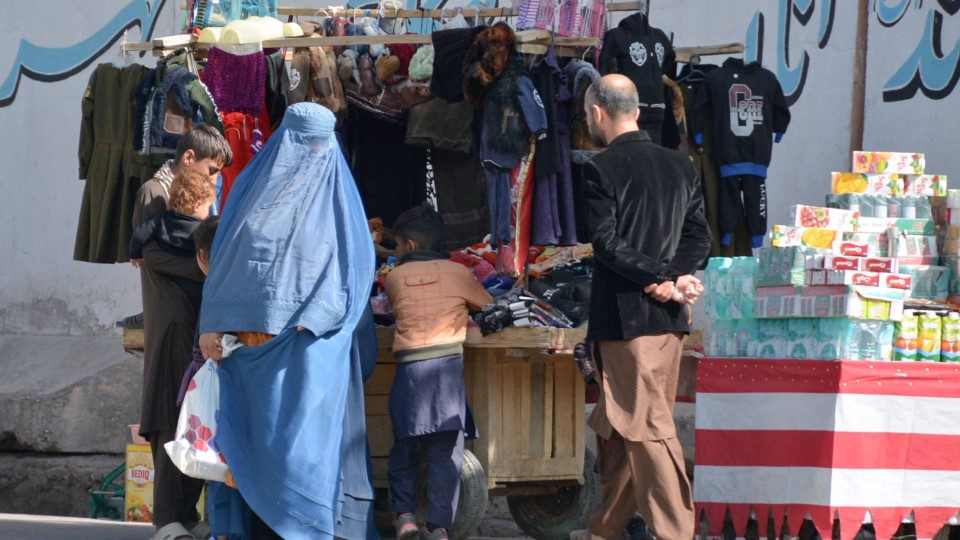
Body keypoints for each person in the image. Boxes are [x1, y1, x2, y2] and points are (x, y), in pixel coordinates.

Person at [197, 102, 378, 540]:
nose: (313, 153)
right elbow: (227, 262)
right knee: (255, 452)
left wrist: (319, 312)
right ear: (284, 141)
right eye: (304, 143)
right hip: (253, 351)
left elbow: (355, 270)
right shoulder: (249, 195)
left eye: (321, 144)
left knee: (306, 456)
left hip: (313, 350)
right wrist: (212, 322)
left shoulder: (337, 199)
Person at [569, 74, 712, 540]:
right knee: (617, 427)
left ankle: (676, 532)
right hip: (668, 320)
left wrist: (661, 280)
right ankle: (604, 529)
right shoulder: (680, 165)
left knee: (646, 426)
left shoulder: (599, 168)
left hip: (630, 323)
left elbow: (606, 244)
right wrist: (676, 278)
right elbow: (699, 237)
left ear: (596, 112)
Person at [132, 126, 232, 540]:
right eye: (211, 171)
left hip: (191, 323)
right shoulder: (154, 192)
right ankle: (168, 518)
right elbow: (150, 254)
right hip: (172, 321)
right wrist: (210, 268)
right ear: (188, 158)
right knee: (171, 416)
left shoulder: (186, 197)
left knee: (192, 417)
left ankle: (185, 515)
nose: (214, 181)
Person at [383, 204, 493, 540]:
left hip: (410, 372)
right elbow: (486, 303)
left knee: (403, 443)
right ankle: (439, 527)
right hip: (446, 373)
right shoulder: (458, 273)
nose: (397, 252)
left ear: (411, 246)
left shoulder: (394, 277)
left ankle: (404, 517)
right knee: (447, 451)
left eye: (399, 246)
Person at [129, 169, 217, 306]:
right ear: (197, 205)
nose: (208, 212)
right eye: (208, 207)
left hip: (170, 271)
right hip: (194, 273)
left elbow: (141, 233)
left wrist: (134, 253)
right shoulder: (201, 229)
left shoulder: (160, 219)